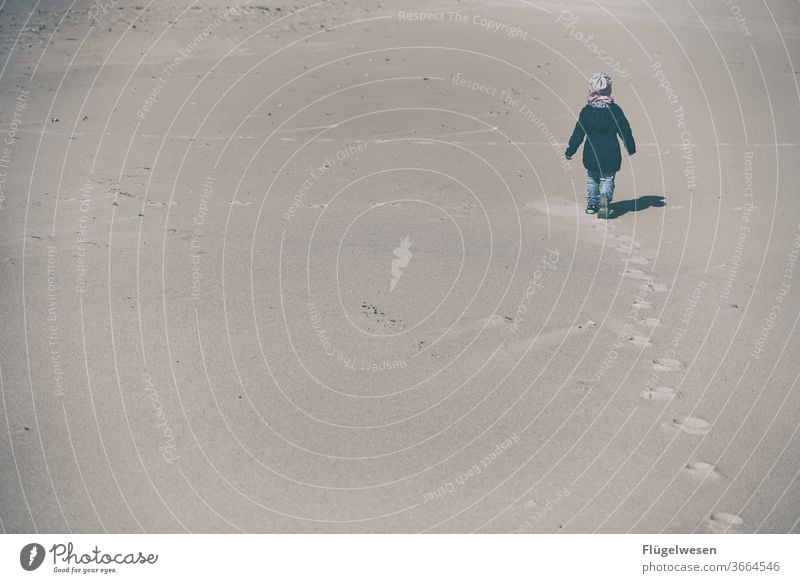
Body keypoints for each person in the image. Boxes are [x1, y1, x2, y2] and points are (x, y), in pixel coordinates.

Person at [565, 73, 636, 218]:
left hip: (591, 152)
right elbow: (624, 129)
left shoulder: (586, 111)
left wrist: (570, 150)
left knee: (593, 179)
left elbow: (578, 133)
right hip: (611, 151)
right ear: (609, 90)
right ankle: (605, 198)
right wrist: (630, 147)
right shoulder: (615, 110)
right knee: (607, 178)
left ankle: (592, 204)